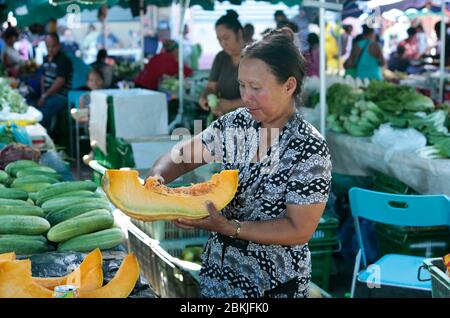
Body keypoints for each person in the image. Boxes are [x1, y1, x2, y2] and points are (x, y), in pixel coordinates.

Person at [146, 27, 332, 298]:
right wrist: (157, 180)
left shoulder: (309, 147)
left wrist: (231, 228)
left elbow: (299, 229)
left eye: (256, 87)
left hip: (272, 286)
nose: (246, 97)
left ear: (289, 85)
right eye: (242, 85)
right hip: (218, 278)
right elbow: (182, 157)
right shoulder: (237, 122)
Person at [198, 10, 245, 117]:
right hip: (225, 120)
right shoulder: (221, 57)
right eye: (219, 40)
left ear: (239, 33)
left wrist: (232, 104)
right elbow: (211, 87)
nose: (223, 43)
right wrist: (207, 96)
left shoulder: (255, 56)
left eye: (226, 38)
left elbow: (265, 95)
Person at [38, 33, 73, 134]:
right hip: (49, 95)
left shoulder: (63, 59)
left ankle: (46, 138)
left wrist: (44, 96)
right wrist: (42, 94)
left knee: (44, 111)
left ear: (59, 45)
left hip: (62, 96)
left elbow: (60, 81)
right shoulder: (46, 58)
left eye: (53, 46)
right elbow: (43, 78)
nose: (50, 49)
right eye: (48, 46)